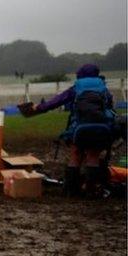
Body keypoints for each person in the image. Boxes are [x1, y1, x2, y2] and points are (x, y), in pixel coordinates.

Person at [28, 64, 117, 196]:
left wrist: (39, 107)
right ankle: (90, 190)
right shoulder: (104, 89)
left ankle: (71, 190)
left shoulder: (76, 88)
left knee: (75, 154)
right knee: (93, 156)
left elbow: (56, 101)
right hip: (100, 128)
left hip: (80, 128)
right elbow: (109, 109)